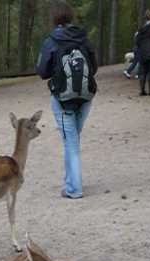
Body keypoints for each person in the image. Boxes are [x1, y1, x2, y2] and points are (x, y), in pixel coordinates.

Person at [36, 0, 97, 200]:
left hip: (63, 98)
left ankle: (74, 188)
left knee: (70, 142)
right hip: (85, 96)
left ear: (54, 18)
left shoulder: (51, 41)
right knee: (73, 140)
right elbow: (94, 68)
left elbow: (42, 71)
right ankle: (70, 181)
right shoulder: (83, 38)